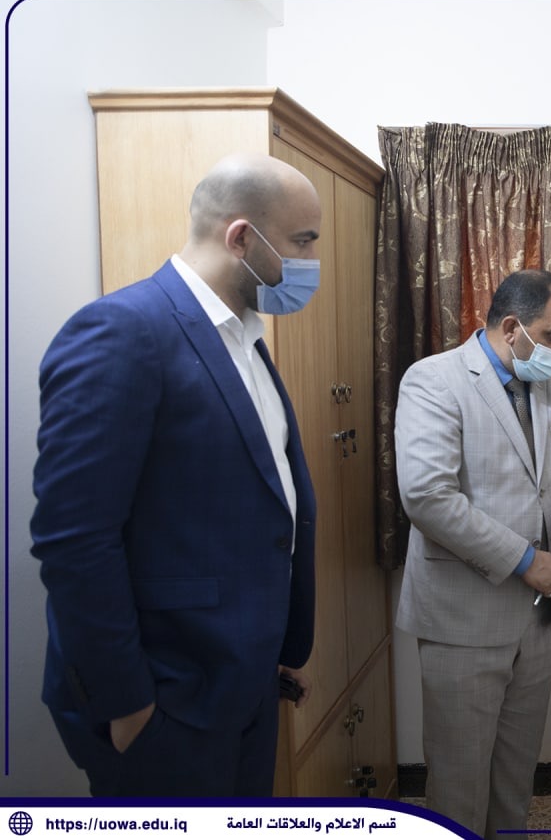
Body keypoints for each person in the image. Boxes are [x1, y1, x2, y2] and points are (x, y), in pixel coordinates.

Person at [31, 152, 321, 796]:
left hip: (243, 681)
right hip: (166, 703)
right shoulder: (123, 331)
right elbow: (74, 539)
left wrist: (276, 650)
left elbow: (254, 511)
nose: (311, 261)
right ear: (241, 237)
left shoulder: (244, 338)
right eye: (302, 242)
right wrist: (127, 704)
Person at [394, 269, 551, 840]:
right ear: (512, 327)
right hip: (463, 619)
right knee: (458, 790)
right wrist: (526, 560)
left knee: (515, 784)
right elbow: (428, 497)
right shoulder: (434, 380)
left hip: (535, 625)